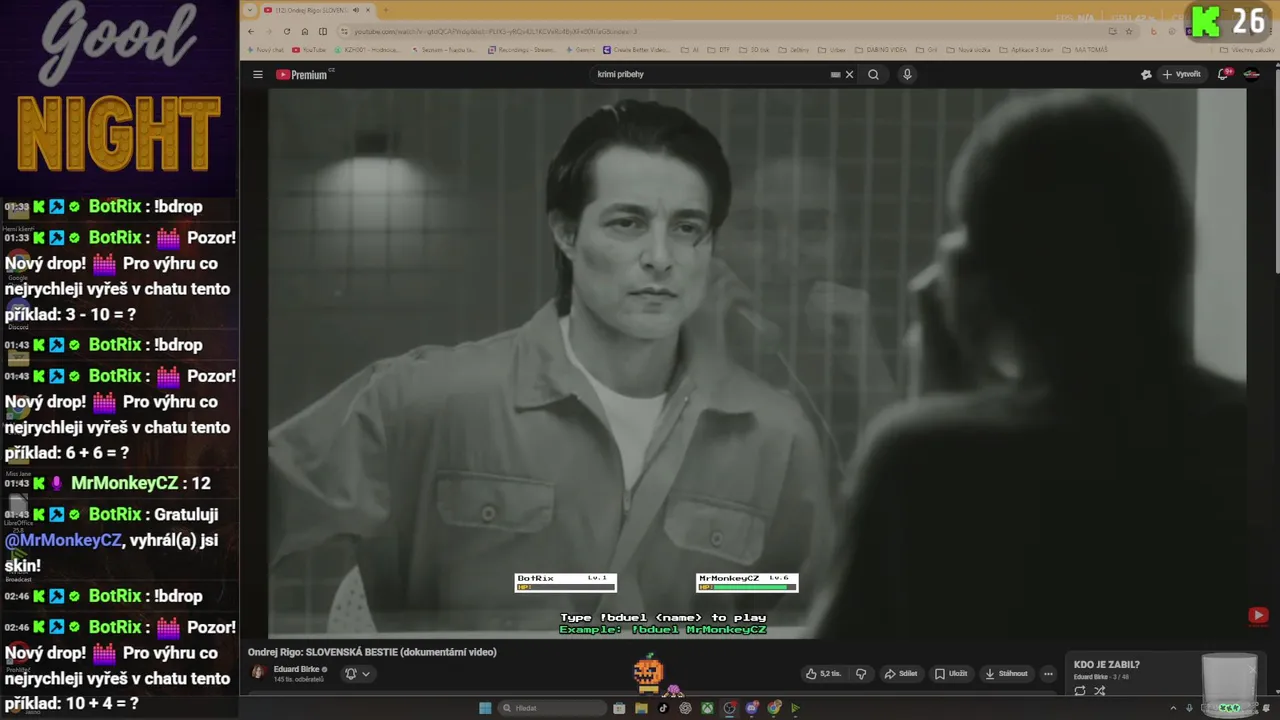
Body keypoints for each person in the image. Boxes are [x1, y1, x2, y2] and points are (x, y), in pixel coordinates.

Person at [269, 99, 834, 632]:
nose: (661, 258)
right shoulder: (427, 404)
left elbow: (808, 627)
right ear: (566, 233)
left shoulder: (775, 438)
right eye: (627, 223)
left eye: (687, 229)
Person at [812, 92, 1248, 639]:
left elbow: (833, 673)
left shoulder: (922, 463)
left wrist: (943, 414)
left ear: (971, 275)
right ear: (1181, 244)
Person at [702, 156, 897, 472]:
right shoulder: (665, 364)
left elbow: (912, 495)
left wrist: (872, 376)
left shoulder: (900, 365)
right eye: (755, 227)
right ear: (711, 243)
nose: (786, 257)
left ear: (850, 246)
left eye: (814, 228)